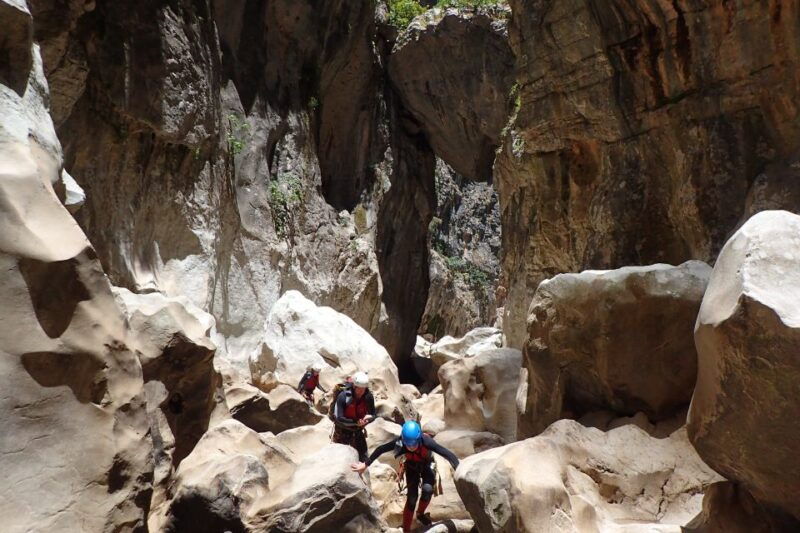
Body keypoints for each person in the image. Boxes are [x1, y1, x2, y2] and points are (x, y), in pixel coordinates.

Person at [351, 420, 459, 532]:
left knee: (427, 490)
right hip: (411, 467)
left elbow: (446, 453)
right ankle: (406, 530)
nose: (411, 447)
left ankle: (420, 514)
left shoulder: (426, 441)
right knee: (412, 499)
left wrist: (458, 467)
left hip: (426, 465)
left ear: (418, 439)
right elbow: (381, 449)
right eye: (408, 444)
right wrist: (365, 464)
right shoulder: (401, 442)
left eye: (413, 444)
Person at [331, 371, 375, 462]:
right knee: (338, 459)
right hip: (342, 430)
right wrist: (356, 422)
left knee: (364, 459)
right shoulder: (343, 396)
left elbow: (374, 414)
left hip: (357, 430)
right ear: (354, 386)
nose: (361, 392)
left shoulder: (368, 396)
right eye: (359, 389)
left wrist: (369, 419)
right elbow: (339, 417)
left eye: (364, 389)